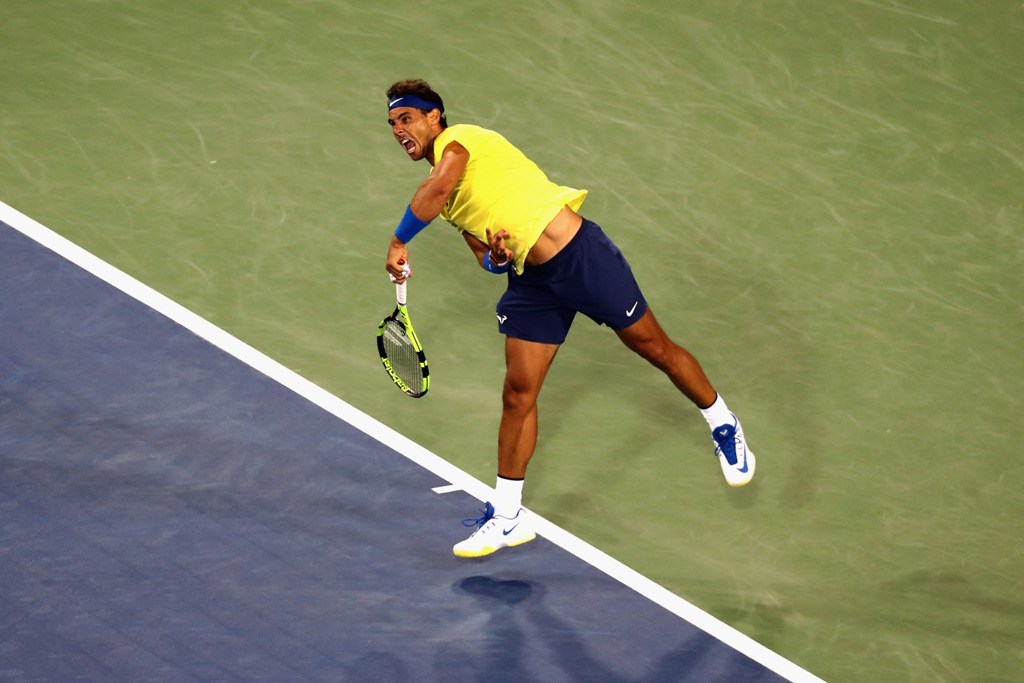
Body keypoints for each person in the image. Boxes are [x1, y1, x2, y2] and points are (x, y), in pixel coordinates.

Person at [383, 79, 755, 559]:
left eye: (406, 118)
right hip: (532, 283)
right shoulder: (451, 200)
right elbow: (482, 256)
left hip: (582, 258)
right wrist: (497, 257)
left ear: (435, 117)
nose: (397, 130)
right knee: (518, 392)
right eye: (392, 124)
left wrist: (398, 240)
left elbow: (434, 189)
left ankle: (722, 421)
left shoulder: (464, 143)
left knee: (654, 347)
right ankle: (508, 516)